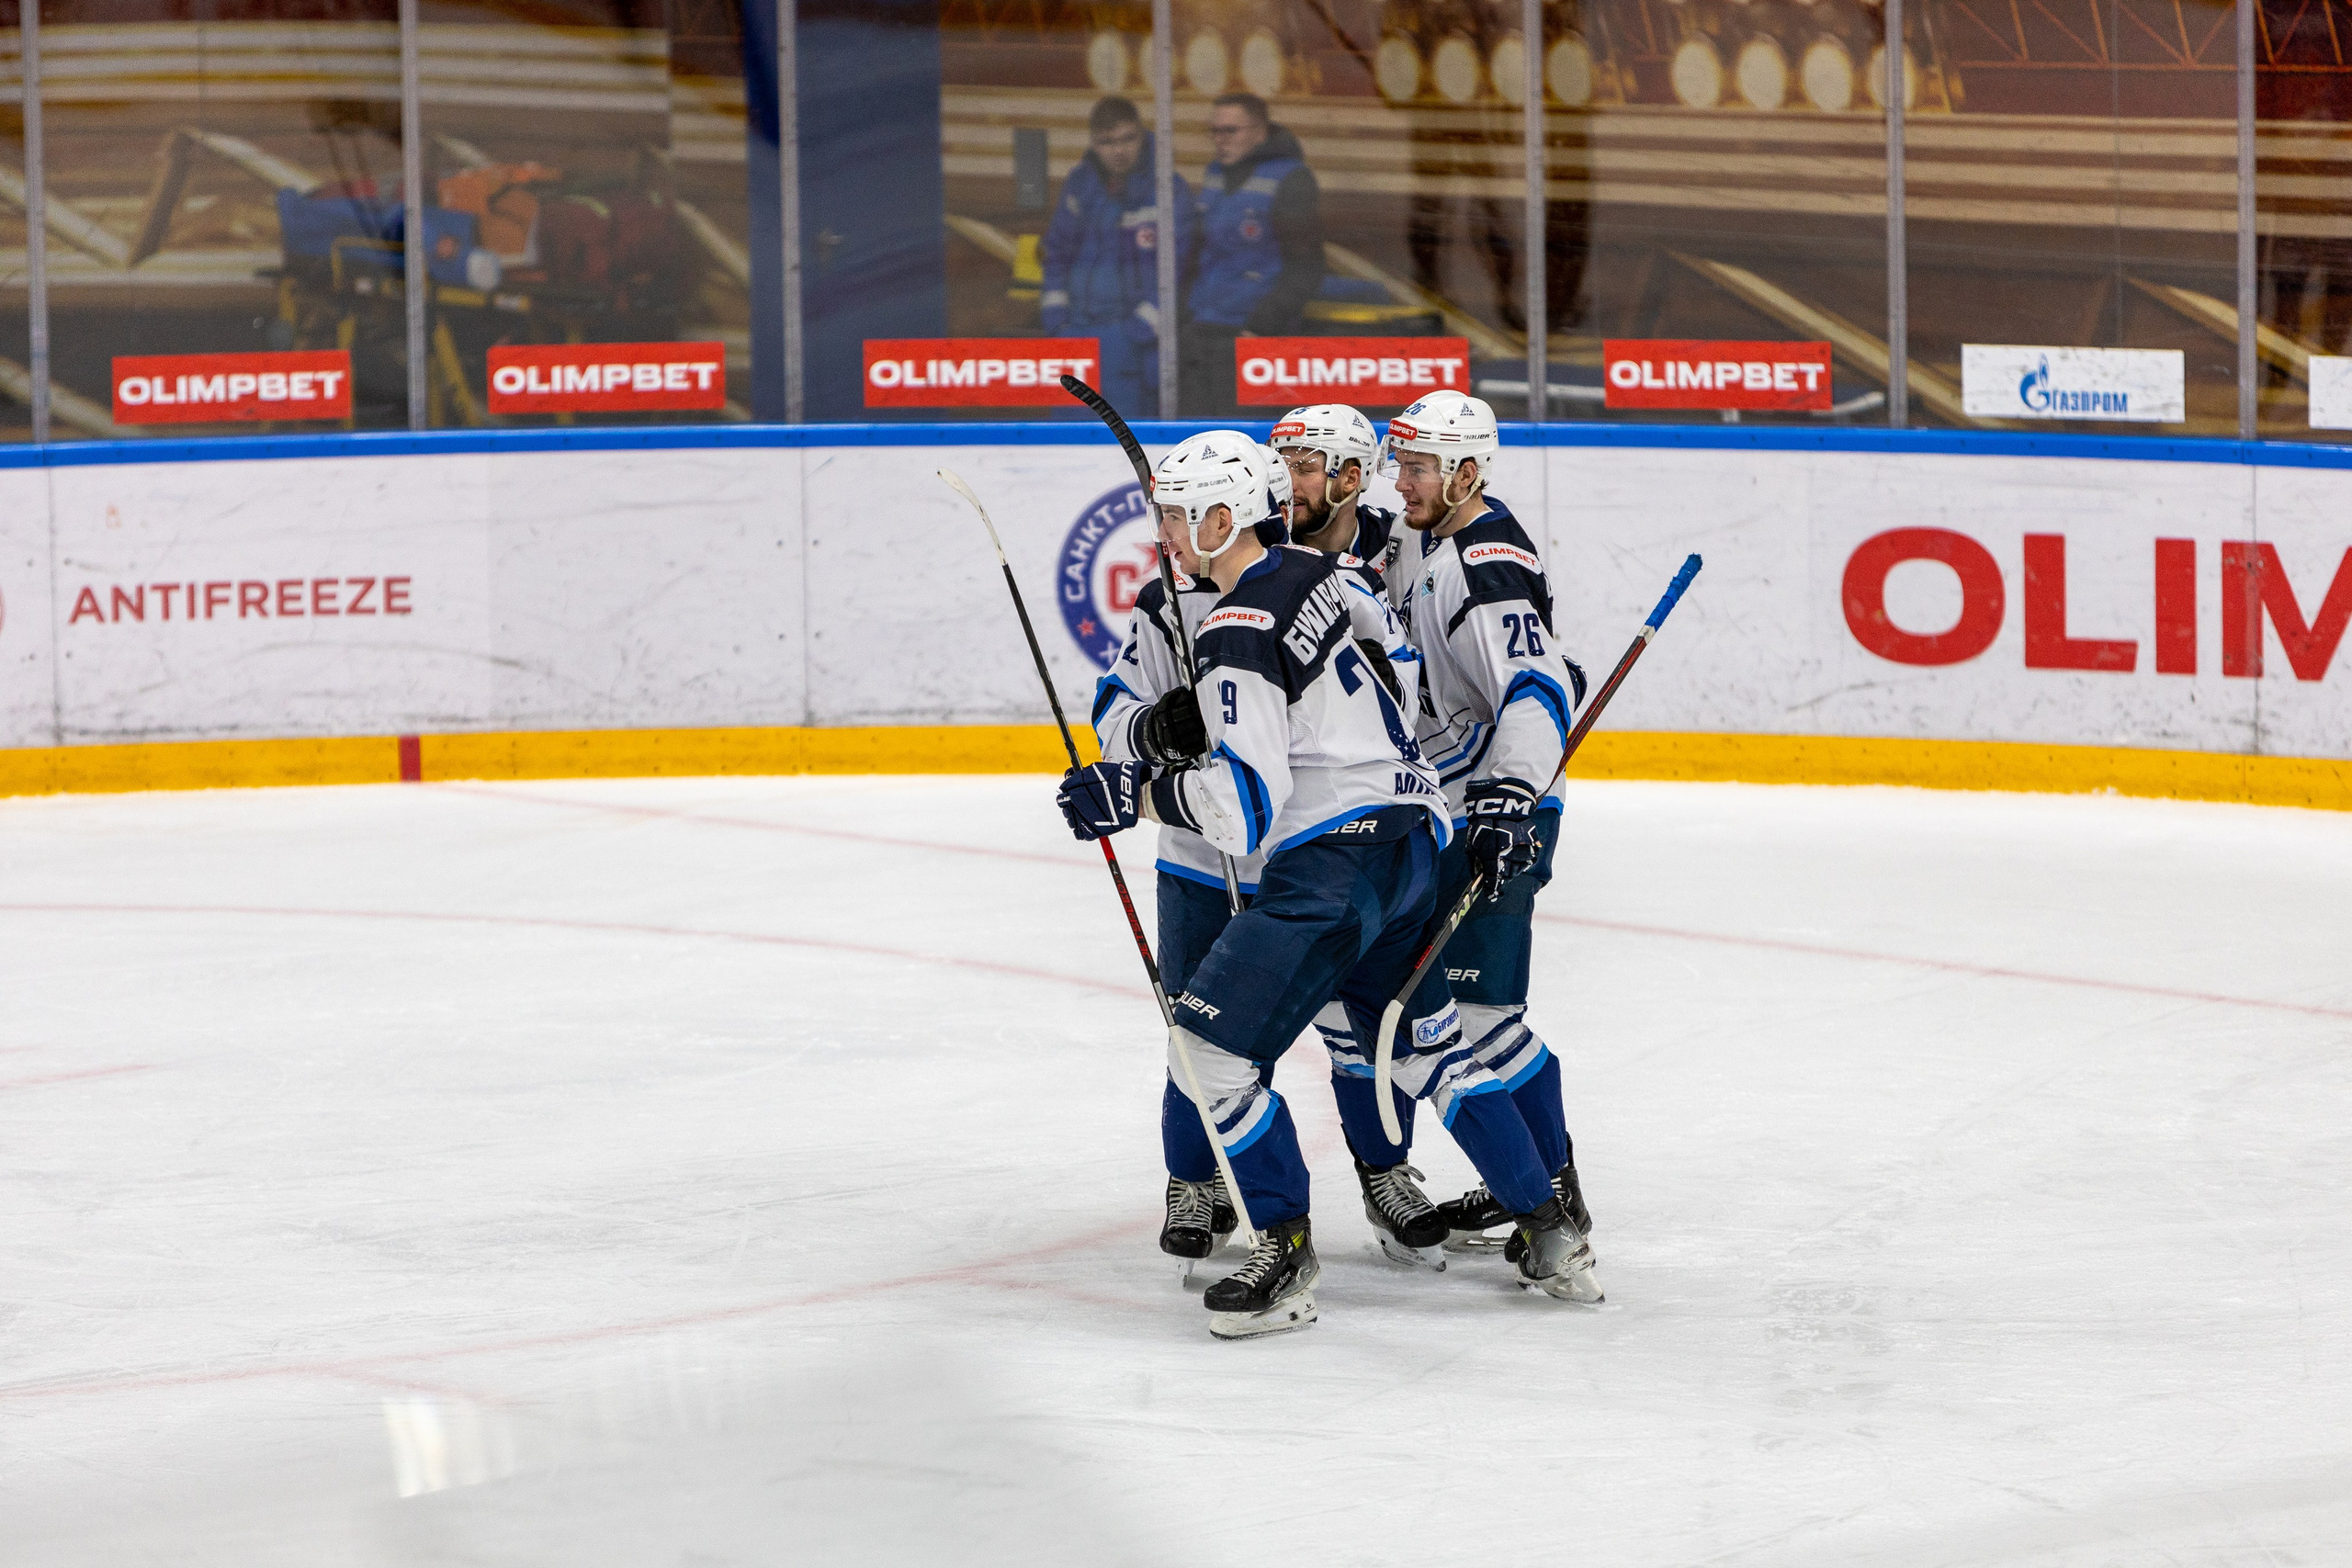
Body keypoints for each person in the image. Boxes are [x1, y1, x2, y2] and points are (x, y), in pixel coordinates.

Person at [1057, 430, 1591, 1338]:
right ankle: (1552, 1229)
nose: (1163, 534)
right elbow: (1397, 681)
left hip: (1329, 865)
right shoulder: (1326, 577)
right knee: (1424, 1047)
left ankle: (1284, 1254)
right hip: (1408, 840)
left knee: (1207, 1051)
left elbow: (1242, 813)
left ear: (1222, 519)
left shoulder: (1234, 627)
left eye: (1177, 517)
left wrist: (1130, 792)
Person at [1379, 390, 1600, 1286]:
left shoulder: (1485, 565)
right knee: (1474, 1013)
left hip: (1501, 814)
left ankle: (1557, 1200)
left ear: (1468, 472)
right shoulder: (1426, 536)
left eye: (1419, 468)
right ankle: (1545, 1187)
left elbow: (1538, 689)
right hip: (1458, 804)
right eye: (1399, 464)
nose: (1403, 482)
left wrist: (1509, 796)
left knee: (1481, 1016)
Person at [1040, 96, 1190, 419]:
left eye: (1127, 139)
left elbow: (1179, 270)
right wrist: (1056, 320)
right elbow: (1057, 253)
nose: (1118, 150)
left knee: (1128, 439)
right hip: (1075, 335)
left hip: (1134, 344)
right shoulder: (1080, 184)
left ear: (1142, 136)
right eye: (1107, 142)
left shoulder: (1167, 188)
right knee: (1068, 440)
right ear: (1093, 143)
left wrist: (1136, 331)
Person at [1181, 93, 1324, 418]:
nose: (1220, 140)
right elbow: (1198, 254)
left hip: (1253, 338)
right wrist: (1185, 316)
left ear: (1260, 133)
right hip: (1202, 330)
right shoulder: (1215, 173)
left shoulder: (1290, 180)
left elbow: (1307, 266)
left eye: (1230, 131)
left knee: (1244, 437)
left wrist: (1260, 327)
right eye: (1214, 131)